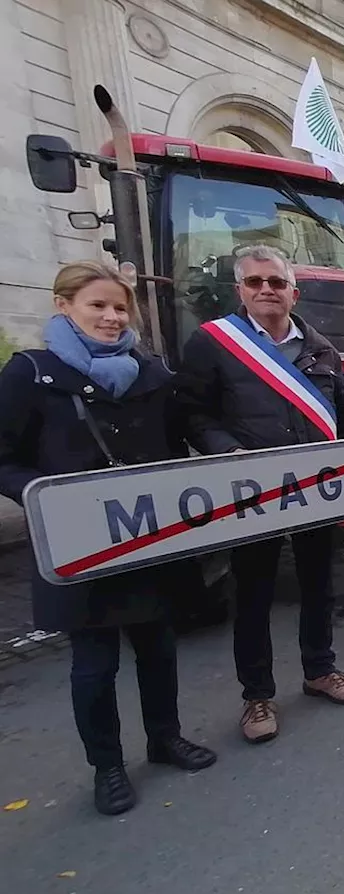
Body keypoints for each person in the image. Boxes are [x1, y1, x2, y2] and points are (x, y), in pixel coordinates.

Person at [0, 262, 217, 815]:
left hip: (150, 539)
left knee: (158, 650)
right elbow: (4, 459)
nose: (111, 316)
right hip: (80, 547)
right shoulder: (31, 373)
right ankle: (108, 766)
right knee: (94, 665)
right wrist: (45, 495)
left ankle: (164, 739)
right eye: (97, 305)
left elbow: (180, 443)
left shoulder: (151, 373)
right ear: (63, 305)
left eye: (120, 307)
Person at [175, 245, 344, 745]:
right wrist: (228, 449)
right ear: (240, 290)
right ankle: (257, 695)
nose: (266, 290)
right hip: (251, 494)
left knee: (318, 584)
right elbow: (193, 414)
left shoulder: (322, 349)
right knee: (253, 593)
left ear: (292, 292)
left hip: (318, 490)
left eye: (276, 283)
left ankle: (320, 669)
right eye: (255, 282)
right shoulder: (214, 344)